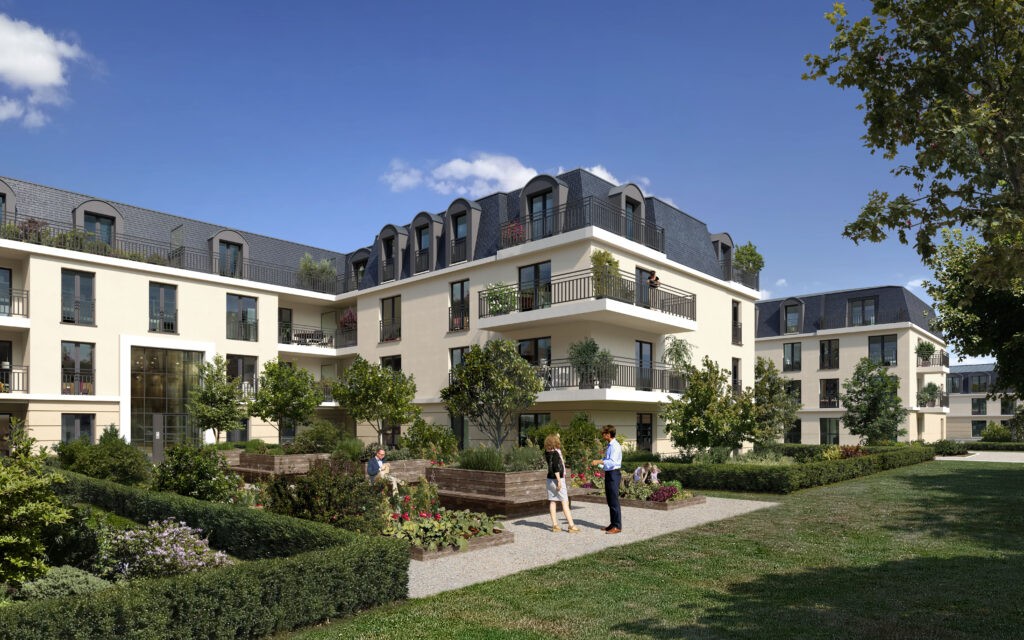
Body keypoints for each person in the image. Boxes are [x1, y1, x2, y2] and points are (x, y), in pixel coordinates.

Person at [544, 434, 580, 533]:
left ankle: (555, 525)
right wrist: (559, 481)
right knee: (565, 502)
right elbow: (556, 468)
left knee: (553, 501)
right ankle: (571, 526)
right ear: (555, 443)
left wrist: (556, 437)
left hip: (549, 480)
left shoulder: (547, 452)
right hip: (557, 479)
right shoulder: (556, 453)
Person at [591, 425, 623, 534]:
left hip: (614, 474)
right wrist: (599, 465)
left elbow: (613, 462)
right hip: (609, 473)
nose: (602, 435)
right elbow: (607, 460)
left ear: (608, 434)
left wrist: (599, 461)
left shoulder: (615, 446)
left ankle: (617, 526)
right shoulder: (610, 445)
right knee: (610, 500)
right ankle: (612, 524)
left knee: (614, 500)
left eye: (603, 433)